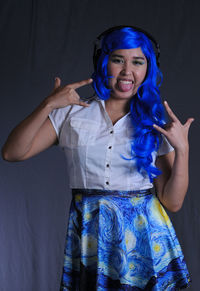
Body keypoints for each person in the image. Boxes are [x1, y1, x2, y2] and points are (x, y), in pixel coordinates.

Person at [2, 26, 193, 290]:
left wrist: (182, 151)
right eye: (118, 60)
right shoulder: (71, 113)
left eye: (138, 62)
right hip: (91, 233)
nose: (127, 71)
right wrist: (47, 105)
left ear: (148, 68)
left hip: (146, 235)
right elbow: (12, 152)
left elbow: (172, 202)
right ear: (103, 62)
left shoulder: (155, 122)